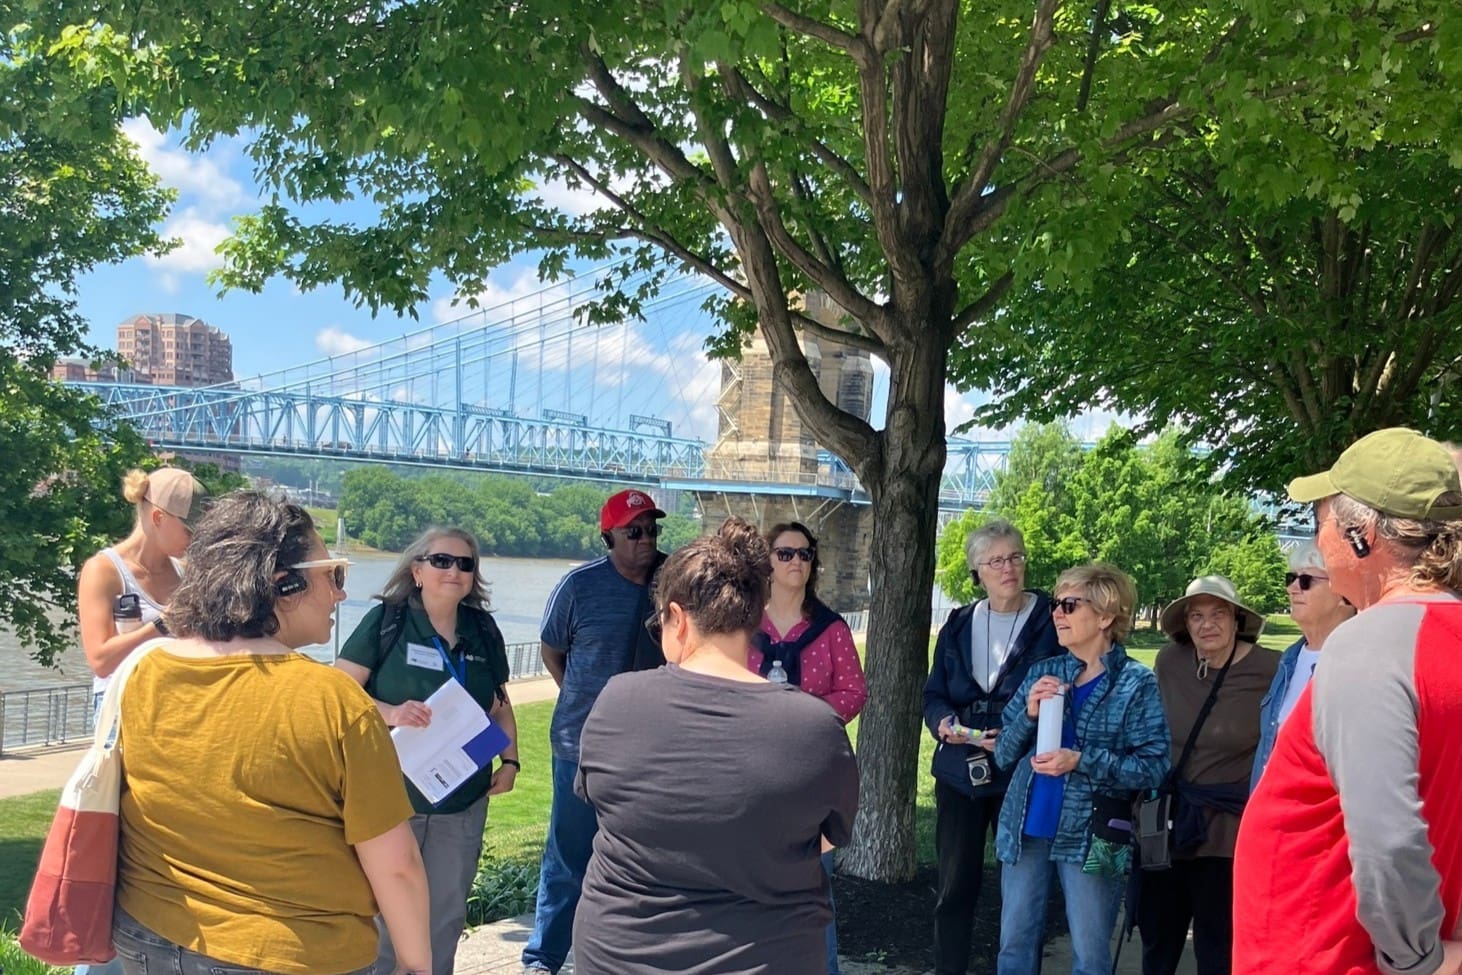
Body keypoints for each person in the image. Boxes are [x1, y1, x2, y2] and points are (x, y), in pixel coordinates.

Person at [111, 492, 430, 975]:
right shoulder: (333, 700)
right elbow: (397, 863)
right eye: (333, 575)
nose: (341, 594)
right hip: (291, 952)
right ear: (283, 585)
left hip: (146, 936)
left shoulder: (145, 670)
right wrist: (415, 962)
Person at [571, 517, 859, 974]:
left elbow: (605, 806)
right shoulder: (816, 729)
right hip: (770, 956)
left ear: (678, 620)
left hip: (620, 956)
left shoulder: (616, 701)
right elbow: (825, 839)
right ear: (753, 619)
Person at [1234, 428, 1462, 975]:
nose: (1316, 535)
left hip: (1326, 954)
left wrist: (1418, 960)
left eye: (1322, 517)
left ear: (1361, 536)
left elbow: (1388, 840)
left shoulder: (1369, 644)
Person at [336, 528, 519, 975]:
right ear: (416, 570)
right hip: (389, 798)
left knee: (445, 915)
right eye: (441, 560)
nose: (454, 570)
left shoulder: (483, 630)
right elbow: (338, 692)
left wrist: (510, 760)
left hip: (461, 799)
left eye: (465, 563)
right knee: (382, 912)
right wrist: (392, 712)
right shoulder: (388, 621)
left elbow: (499, 703)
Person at [993, 563, 1169, 975]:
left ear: (1106, 616)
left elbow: (1155, 767)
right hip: (1027, 829)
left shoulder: (1136, 684)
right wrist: (1030, 714)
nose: (1057, 613)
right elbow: (1003, 754)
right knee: (1013, 947)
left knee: (1091, 957)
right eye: (1056, 603)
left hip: (1099, 837)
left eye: (1070, 605)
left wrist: (1082, 761)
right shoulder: (1043, 672)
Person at [522, 488, 667, 975]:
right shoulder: (578, 586)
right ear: (608, 537)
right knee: (567, 855)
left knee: (643, 859)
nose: (646, 539)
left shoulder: (674, 581)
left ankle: (625, 955)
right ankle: (544, 956)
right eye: (634, 531)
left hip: (650, 748)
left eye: (651, 529)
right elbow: (552, 650)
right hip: (579, 745)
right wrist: (582, 701)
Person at [922, 519, 1062, 975]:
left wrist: (1020, 725)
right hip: (960, 772)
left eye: (1016, 557)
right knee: (955, 887)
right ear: (977, 571)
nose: (1009, 568)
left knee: (1022, 893)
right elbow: (934, 694)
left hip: (1022, 772)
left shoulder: (1050, 621)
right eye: (997, 560)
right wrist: (943, 723)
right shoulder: (959, 624)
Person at [1139, 575, 1278, 975]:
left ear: (1237, 620)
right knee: (1158, 939)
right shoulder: (1170, 662)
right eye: (1196, 615)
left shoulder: (1270, 669)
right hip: (1168, 825)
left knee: (1218, 946)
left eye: (1219, 614)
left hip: (1229, 831)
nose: (1207, 624)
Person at [750, 520, 867, 975]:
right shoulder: (743, 623)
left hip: (813, 771)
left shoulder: (831, 628)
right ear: (768, 561)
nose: (796, 561)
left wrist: (805, 717)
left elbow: (854, 691)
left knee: (816, 881)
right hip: (752, 769)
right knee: (752, 876)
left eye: (805, 553)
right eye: (785, 553)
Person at [76, 467, 207, 714]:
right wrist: (162, 623)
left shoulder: (187, 573)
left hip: (178, 704)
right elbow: (101, 662)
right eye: (190, 531)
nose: (196, 541)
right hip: (123, 707)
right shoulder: (103, 571)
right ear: (158, 517)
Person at [1250, 541, 1354, 788]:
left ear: (1344, 593)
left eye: (1306, 580)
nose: (1293, 589)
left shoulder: (1357, 664)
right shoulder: (1289, 659)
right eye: (1291, 578)